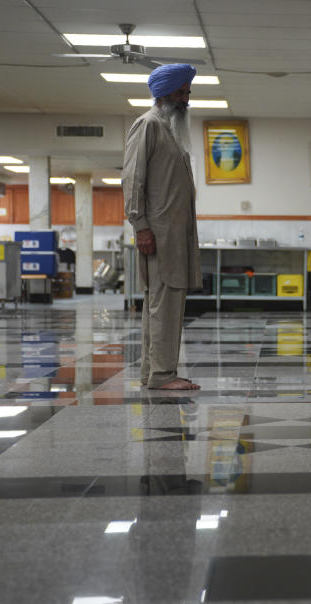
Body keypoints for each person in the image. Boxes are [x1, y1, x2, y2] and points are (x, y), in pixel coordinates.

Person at [122, 64, 202, 390]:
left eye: (187, 93)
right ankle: (162, 375)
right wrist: (140, 226)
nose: (186, 100)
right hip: (159, 234)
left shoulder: (170, 129)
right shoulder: (148, 125)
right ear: (164, 94)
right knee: (163, 303)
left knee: (164, 304)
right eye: (181, 93)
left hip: (174, 235)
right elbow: (132, 178)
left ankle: (155, 373)